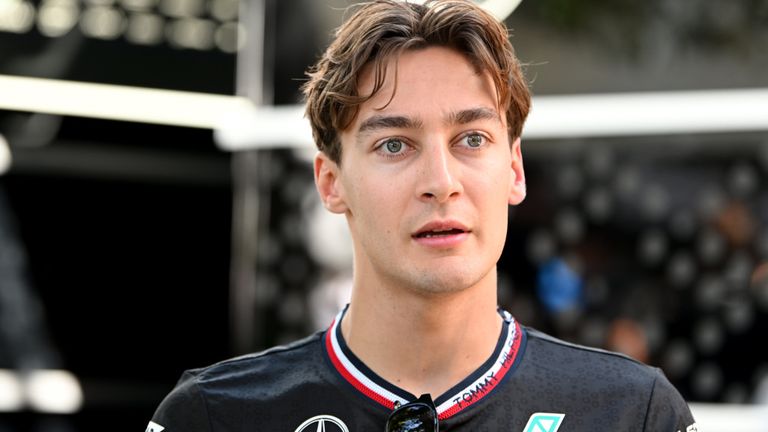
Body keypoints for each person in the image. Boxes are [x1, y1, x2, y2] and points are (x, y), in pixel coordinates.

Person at [147, 1, 698, 430]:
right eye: (394, 145)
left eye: (472, 139)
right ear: (331, 182)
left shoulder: (634, 416)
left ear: (514, 171)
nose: (441, 182)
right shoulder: (212, 418)